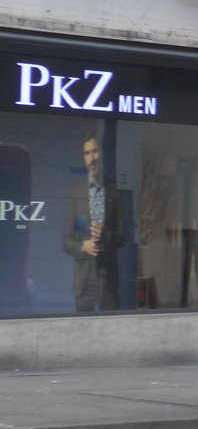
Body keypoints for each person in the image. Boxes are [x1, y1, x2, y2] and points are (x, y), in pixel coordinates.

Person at [62, 132, 126, 312]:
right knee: (81, 332)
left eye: (95, 151)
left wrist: (105, 236)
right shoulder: (76, 192)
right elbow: (66, 240)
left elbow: (123, 236)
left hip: (107, 279)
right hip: (84, 279)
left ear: (102, 154)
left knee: (112, 332)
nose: (91, 158)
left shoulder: (114, 190)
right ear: (83, 158)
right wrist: (83, 246)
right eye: (87, 153)